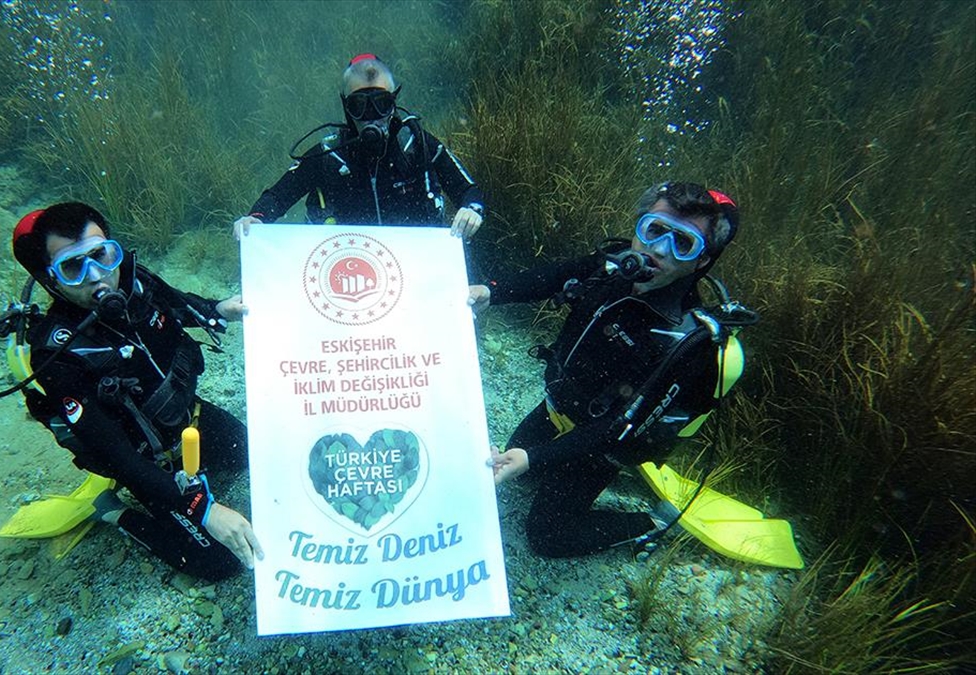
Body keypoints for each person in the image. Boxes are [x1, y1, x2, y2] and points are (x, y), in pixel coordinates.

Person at [470, 182, 748, 557]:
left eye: (682, 243)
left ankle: (650, 524)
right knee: (522, 476)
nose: (658, 250)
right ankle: (544, 464)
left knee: (547, 536)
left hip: (600, 445)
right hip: (558, 409)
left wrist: (534, 457)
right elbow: (557, 275)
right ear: (639, 228)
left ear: (701, 261)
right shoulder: (610, 269)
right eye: (654, 231)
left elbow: (614, 431)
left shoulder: (684, 342)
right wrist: (492, 291)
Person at [7, 201, 263, 580]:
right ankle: (112, 511)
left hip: (188, 420)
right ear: (51, 279)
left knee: (252, 455)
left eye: (101, 255)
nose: (97, 276)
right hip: (146, 460)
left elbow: (177, 303)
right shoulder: (58, 354)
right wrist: (204, 509)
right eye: (74, 267)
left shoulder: (134, 281)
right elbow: (118, 456)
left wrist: (216, 309)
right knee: (221, 564)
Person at [233, 53, 484, 238]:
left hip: (414, 266)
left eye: (381, 104)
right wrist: (256, 218)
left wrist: (472, 210)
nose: (371, 115)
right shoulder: (329, 156)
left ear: (394, 102)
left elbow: (468, 190)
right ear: (346, 108)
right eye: (359, 106)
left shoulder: (418, 145)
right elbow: (279, 195)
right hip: (347, 269)